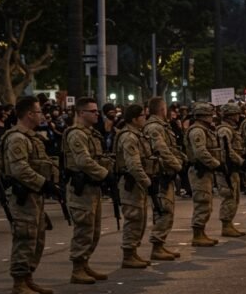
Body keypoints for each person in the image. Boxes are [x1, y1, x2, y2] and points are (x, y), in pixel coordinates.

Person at [0, 97, 61, 294]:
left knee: (37, 238)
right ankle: (19, 282)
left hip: (35, 195)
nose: (41, 115)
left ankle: (28, 278)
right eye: (38, 111)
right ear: (29, 114)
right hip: (23, 196)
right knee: (25, 238)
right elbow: (19, 169)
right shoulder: (17, 138)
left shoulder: (32, 137)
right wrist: (44, 183)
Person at [62, 97, 113, 284]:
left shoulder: (91, 134)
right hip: (81, 189)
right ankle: (77, 268)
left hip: (92, 188)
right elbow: (83, 161)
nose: (97, 114)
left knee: (94, 230)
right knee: (84, 229)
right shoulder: (77, 134)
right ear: (81, 113)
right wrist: (105, 174)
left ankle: (84, 264)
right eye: (92, 111)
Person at [115, 105, 156, 268]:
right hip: (131, 183)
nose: (145, 119)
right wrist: (147, 182)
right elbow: (133, 165)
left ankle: (133, 252)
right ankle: (128, 254)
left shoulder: (137, 135)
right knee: (133, 218)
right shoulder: (129, 137)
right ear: (134, 119)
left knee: (140, 218)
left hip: (138, 183)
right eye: (142, 116)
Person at [143, 97, 184, 259]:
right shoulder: (154, 127)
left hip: (165, 173)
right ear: (161, 110)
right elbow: (162, 149)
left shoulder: (162, 126)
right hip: (160, 174)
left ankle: (160, 244)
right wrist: (177, 165)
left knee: (167, 210)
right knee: (163, 210)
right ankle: (157, 245)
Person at [184, 102, 222, 246]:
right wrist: (216, 164)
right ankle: (198, 234)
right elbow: (201, 152)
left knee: (206, 202)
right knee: (202, 201)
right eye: (210, 115)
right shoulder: (197, 131)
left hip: (205, 170)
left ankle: (201, 232)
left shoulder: (204, 130)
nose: (212, 118)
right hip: (199, 170)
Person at [216, 102, 246, 237]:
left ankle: (229, 224)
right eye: (236, 114)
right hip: (227, 169)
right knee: (229, 196)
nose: (238, 117)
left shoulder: (231, 129)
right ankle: (226, 225)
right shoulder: (225, 130)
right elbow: (227, 151)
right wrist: (241, 162)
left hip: (233, 168)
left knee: (234, 197)